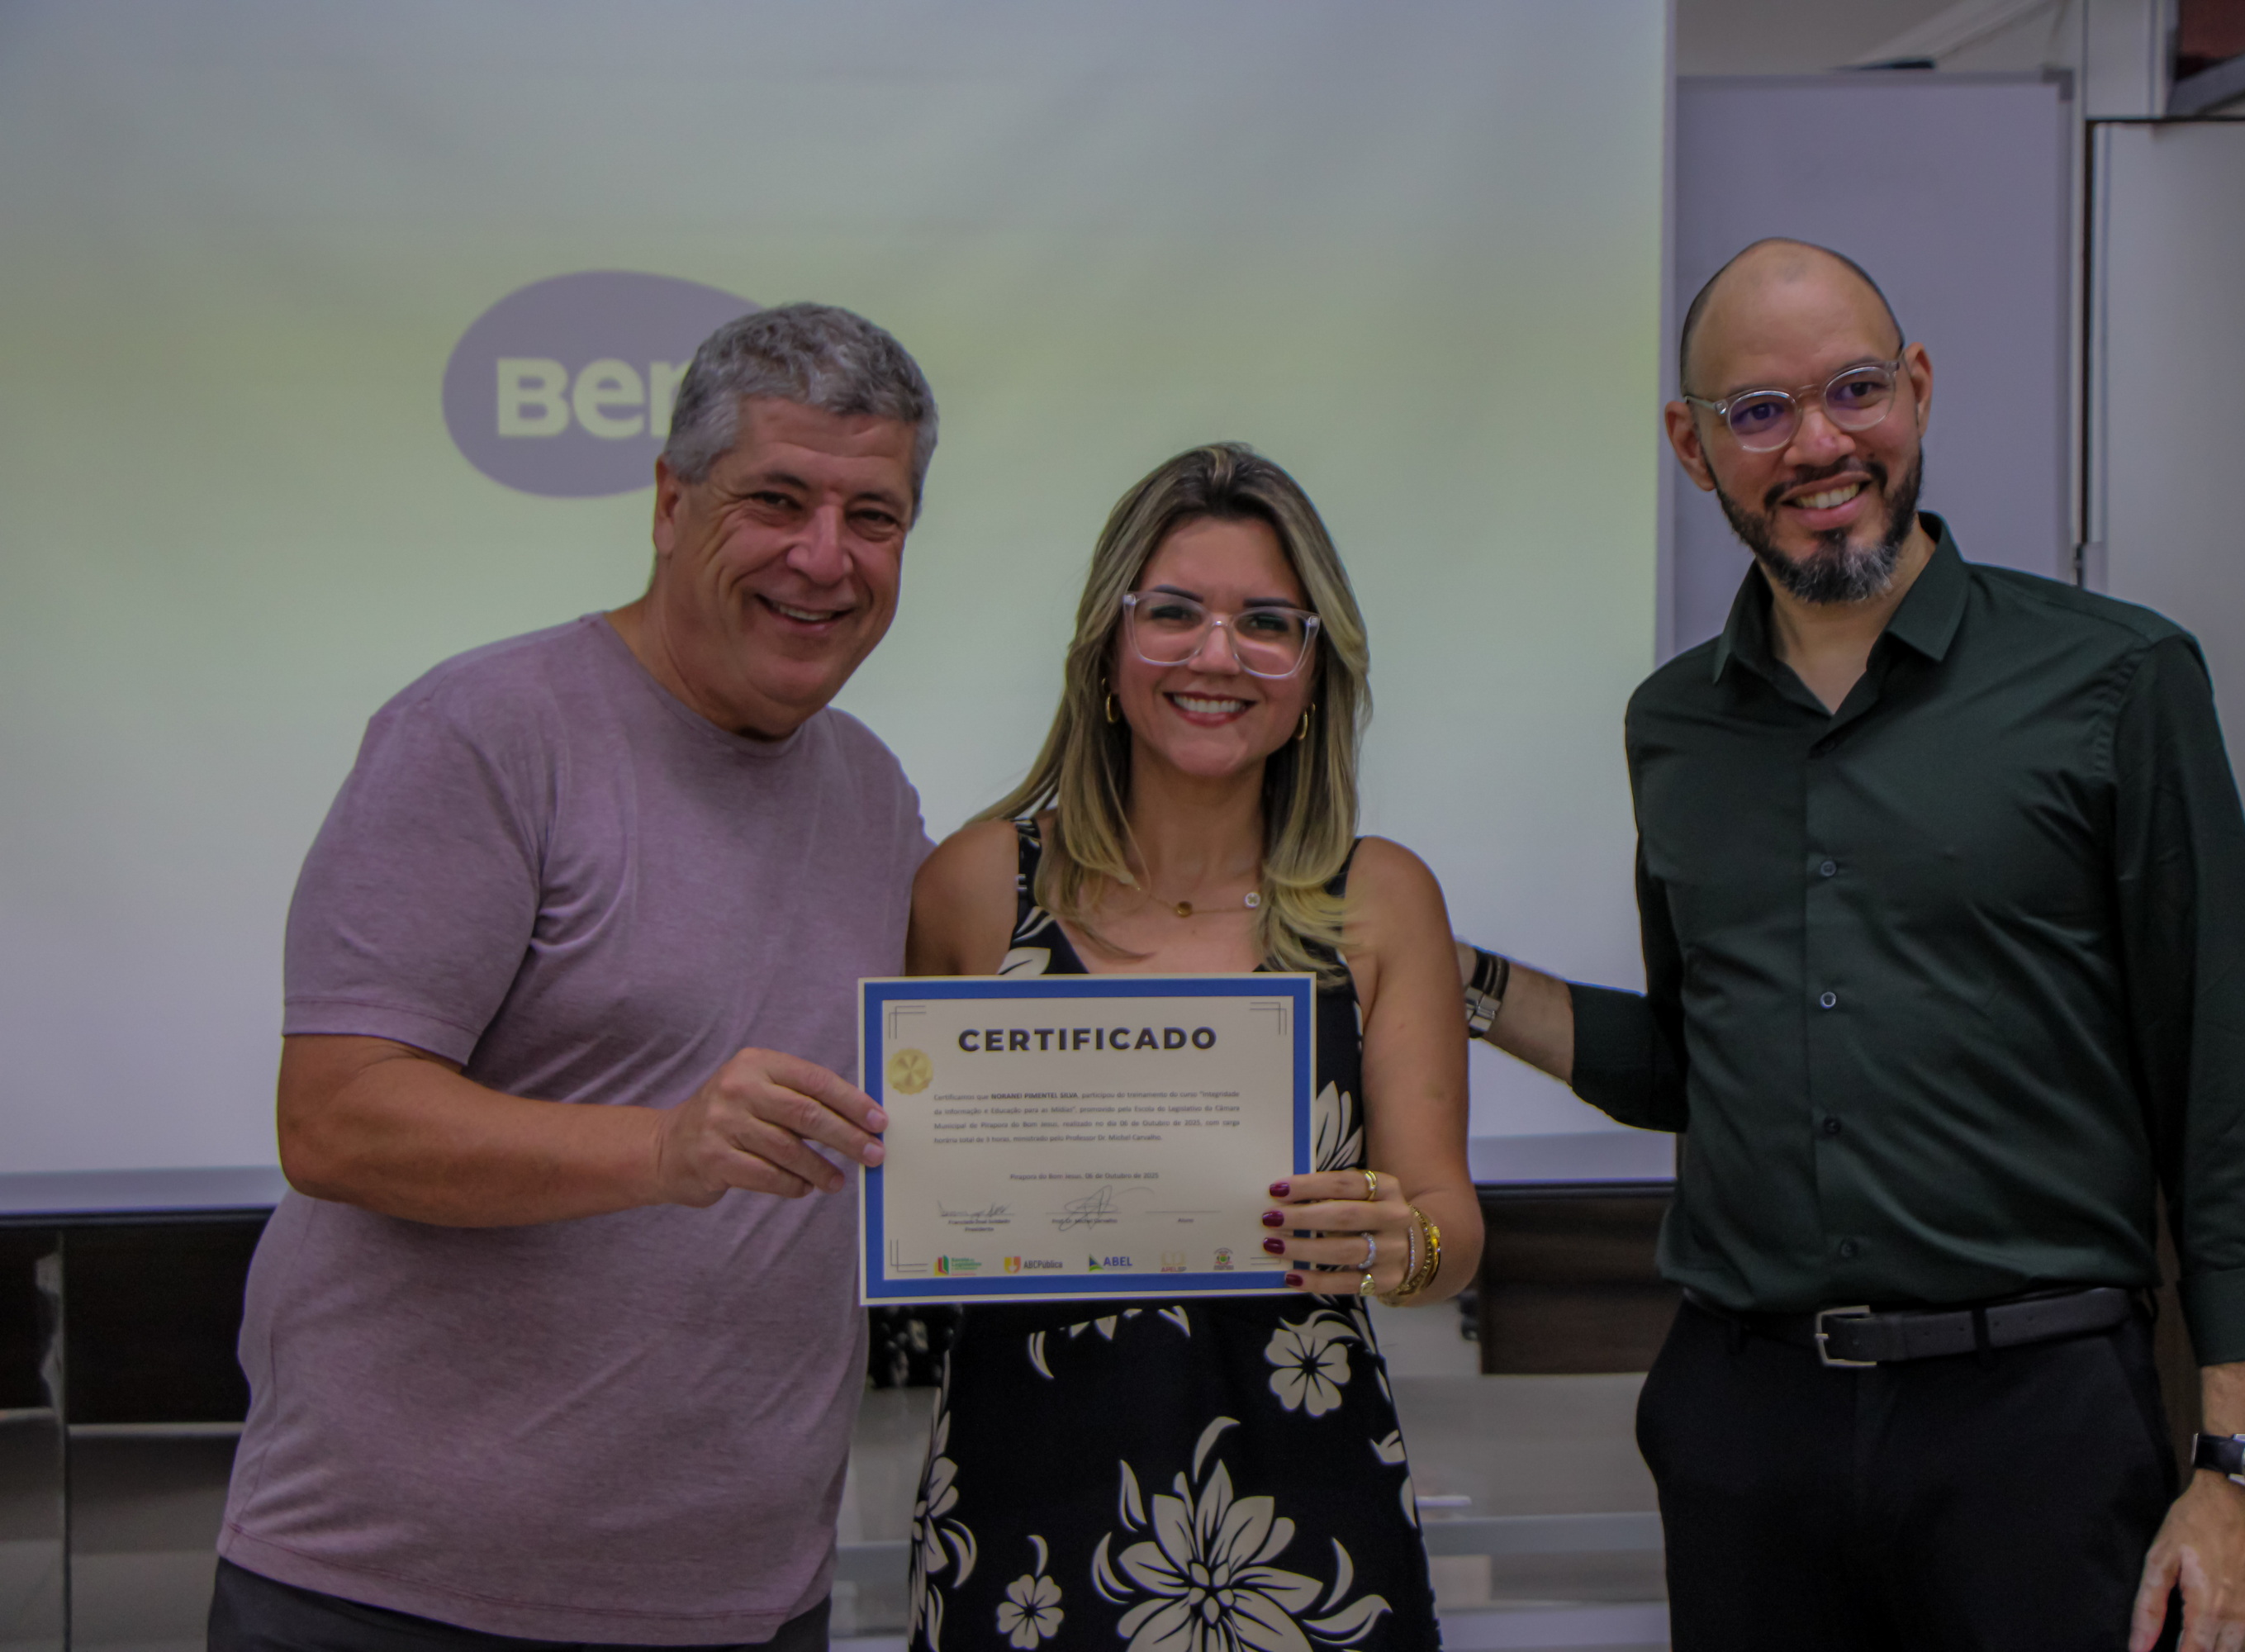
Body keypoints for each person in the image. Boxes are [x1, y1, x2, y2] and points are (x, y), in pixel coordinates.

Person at [1459, 240, 2245, 1652]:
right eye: (1760, 412)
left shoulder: (2118, 680)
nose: (1818, 445)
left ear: (1916, 388)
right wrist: (1459, 983)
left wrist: (2244, 1468)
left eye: (1854, 390)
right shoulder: (1675, 727)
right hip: (1747, 1426)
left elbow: (2228, 1087)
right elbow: (1698, 1064)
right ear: (1692, 445)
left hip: (2035, 1423)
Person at [212, 304, 941, 1652]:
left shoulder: (873, 793)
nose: (824, 557)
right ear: (670, 503)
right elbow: (334, 1119)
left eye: (874, 517)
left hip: (748, 1599)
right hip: (401, 1598)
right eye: (776, 500)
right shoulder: (486, 733)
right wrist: (662, 1150)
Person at [903, 444, 1478, 1652]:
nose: (1217, 656)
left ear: (1313, 670)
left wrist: (1404, 1244)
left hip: (1305, 1514)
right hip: (1023, 1517)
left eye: (1266, 623)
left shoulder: (1379, 901)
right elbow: (910, 1195)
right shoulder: (976, 886)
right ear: (1108, 648)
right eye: (1173, 612)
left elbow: (1447, 1231)